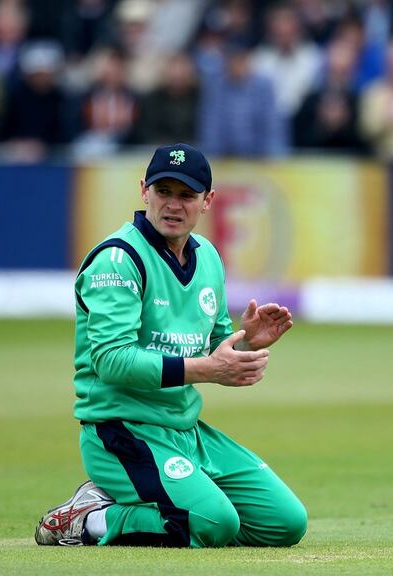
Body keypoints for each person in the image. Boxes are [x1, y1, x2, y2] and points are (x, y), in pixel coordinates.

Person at [34, 143, 307, 549]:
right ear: (144, 190)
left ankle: (175, 508)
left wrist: (246, 342)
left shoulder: (209, 258)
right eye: (164, 192)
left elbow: (214, 349)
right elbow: (111, 361)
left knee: (285, 523)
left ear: (207, 201)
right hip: (122, 433)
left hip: (185, 431)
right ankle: (89, 518)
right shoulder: (118, 259)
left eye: (186, 195)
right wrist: (207, 370)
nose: (173, 205)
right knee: (215, 522)